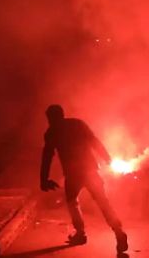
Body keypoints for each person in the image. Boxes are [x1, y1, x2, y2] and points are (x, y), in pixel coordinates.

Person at [40, 104, 128, 253]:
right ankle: (118, 231)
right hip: (90, 169)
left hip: (73, 174)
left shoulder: (51, 132)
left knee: (72, 201)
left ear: (52, 118)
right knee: (102, 201)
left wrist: (43, 179)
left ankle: (80, 233)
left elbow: (47, 157)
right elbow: (93, 140)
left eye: (49, 118)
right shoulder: (77, 123)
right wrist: (107, 158)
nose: (48, 121)